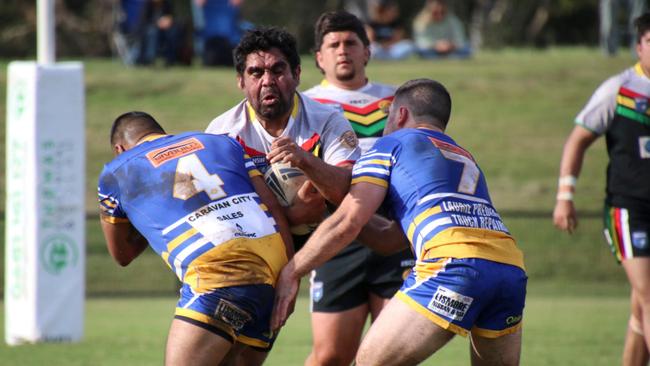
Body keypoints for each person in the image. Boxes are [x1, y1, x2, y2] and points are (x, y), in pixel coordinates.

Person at [273, 78, 527, 365]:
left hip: (453, 266)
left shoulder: (392, 144)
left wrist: (292, 271)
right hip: (510, 270)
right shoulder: (463, 156)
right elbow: (391, 240)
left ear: (401, 114)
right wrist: (331, 200)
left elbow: (347, 221)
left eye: (388, 115)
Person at [98, 111, 294, 365]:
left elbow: (122, 255)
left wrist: (147, 210)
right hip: (273, 270)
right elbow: (272, 207)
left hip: (219, 273)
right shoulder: (223, 141)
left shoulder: (116, 171)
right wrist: (291, 274)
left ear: (119, 149)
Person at [302, 11, 414, 366]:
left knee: (395, 356)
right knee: (331, 355)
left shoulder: (399, 102)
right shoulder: (303, 106)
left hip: (395, 233)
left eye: (351, 42)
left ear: (367, 51)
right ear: (319, 57)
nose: (342, 50)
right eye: (333, 44)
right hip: (335, 234)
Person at [553, 13, 650, 366]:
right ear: (639, 46)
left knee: (642, 305)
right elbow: (577, 140)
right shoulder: (619, 90)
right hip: (629, 208)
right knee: (649, 294)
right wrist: (565, 196)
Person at [205, 26, 361, 235]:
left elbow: (349, 190)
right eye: (256, 73)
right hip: (257, 241)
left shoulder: (328, 121)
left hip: (328, 237)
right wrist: (291, 217)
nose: (267, 81)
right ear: (241, 81)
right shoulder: (222, 134)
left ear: (296, 74)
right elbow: (221, 215)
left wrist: (306, 161)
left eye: (278, 71)